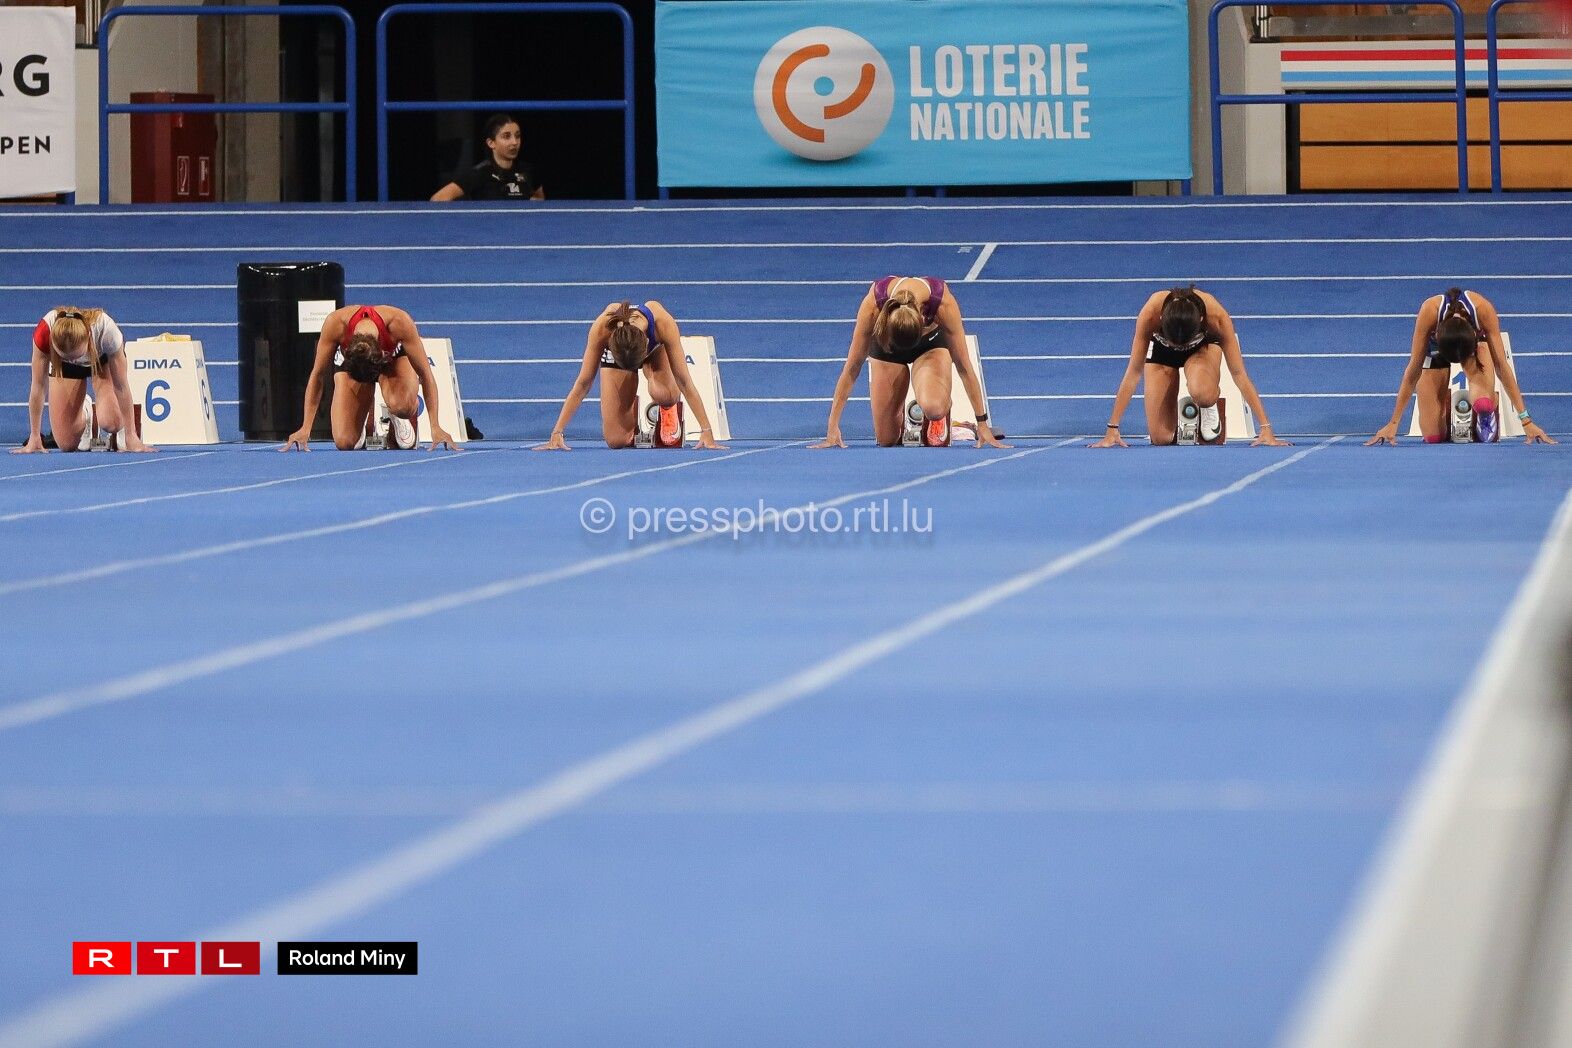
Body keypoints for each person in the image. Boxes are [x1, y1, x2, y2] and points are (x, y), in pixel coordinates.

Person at [810, 276, 1006, 448]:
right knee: (887, 440)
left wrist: (982, 423)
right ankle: (903, 419)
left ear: (922, 316)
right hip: (887, 349)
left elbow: (964, 366)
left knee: (934, 407)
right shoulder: (873, 306)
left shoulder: (942, 303)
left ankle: (942, 414)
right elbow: (852, 368)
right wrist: (832, 426)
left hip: (929, 347)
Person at [1091, 286, 1288, 448]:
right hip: (1162, 354)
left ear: (1201, 320)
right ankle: (1184, 419)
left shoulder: (1216, 318)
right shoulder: (1150, 314)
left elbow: (1238, 373)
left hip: (1201, 351)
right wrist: (1112, 428)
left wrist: (1266, 427)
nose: (1179, 348)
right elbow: (1133, 372)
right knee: (1161, 438)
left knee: (1202, 393)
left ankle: (1208, 405)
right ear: (1161, 319)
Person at [1367, 288, 1556, 445]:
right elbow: (1413, 370)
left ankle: (1487, 411)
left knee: (1483, 403)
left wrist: (1526, 421)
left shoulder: (1482, 310)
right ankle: (1445, 406)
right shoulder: (1429, 311)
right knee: (1433, 437)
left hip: (1475, 347)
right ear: (1437, 334)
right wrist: (1393, 423)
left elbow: (1501, 366)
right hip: (1437, 351)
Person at [534, 300, 726, 450]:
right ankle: (631, 419)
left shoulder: (662, 323)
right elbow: (583, 383)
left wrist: (706, 430)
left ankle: (660, 393)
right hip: (620, 357)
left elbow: (684, 381)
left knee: (666, 395)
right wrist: (557, 431)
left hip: (654, 352)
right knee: (616, 440)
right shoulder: (602, 328)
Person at [280, 305, 458, 451]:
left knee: (403, 406)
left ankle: (395, 412)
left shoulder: (399, 322)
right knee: (344, 442)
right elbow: (317, 375)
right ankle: (364, 417)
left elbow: (426, 374)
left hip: (393, 360)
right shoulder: (335, 324)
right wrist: (305, 428)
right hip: (356, 367)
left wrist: (435, 426)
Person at [13, 307, 156, 454]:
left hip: (100, 363)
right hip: (65, 369)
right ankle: (86, 412)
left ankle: (116, 422)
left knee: (112, 422)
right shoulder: (44, 332)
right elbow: (38, 387)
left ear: (88, 336)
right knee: (66, 444)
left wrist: (131, 435)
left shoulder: (106, 331)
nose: (73, 360)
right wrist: (35, 436)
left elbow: (121, 386)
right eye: (66, 357)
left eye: (76, 356)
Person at [430, 114, 544, 202]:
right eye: (506, 136)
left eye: (517, 136)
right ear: (491, 143)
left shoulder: (528, 170)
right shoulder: (480, 173)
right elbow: (438, 199)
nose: (514, 142)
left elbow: (539, 199)